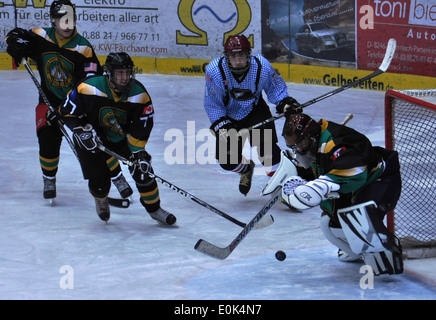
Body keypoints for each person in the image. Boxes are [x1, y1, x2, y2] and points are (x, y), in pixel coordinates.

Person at [5, 0, 132, 201]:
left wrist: (71, 110)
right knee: (47, 137)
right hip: (49, 101)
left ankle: (117, 176)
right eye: (62, 20)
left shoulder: (83, 48)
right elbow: (15, 35)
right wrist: (13, 42)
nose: (67, 25)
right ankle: (49, 178)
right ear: (53, 21)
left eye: (70, 20)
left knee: (96, 140)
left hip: (78, 105)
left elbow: (91, 85)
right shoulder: (40, 36)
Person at [262, 112, 403, 276]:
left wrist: (321, 186)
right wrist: (294, 175)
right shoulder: (315, 145)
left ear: (311, 135)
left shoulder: (335, 143)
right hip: (358, 187)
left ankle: (386, 249)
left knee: (360, 216)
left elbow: (356, 170)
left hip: (380, 180)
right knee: (329, 222)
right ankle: (357, 248)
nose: (298, 149)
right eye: (295, 146)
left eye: (300, 144)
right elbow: (314, 169)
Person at [59, 51, 176, 225]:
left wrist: (139, 153)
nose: (124, 78)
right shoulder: (89, 87)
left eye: (127, 73)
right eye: (120, 73)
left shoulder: (139, 95)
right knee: (100, 182)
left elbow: (142, 126)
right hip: (91, 137)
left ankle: (154, 209)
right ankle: (100, 198)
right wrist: (79, 130)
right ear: (109, 73)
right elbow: (66, 112)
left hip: (122, 138)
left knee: (143, 172)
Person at [203, 34, 301, 195]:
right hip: (228, 117)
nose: (238, 60)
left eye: (241, 55)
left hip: (255, 111)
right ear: (227, 56)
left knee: (268, 153)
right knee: (227, 162)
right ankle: (246, 168)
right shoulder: (215, 70)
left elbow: (275, 88)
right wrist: (223, 124)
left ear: (248, 54)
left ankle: (285, 189)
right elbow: (213, 103)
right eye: (233, 56)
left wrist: (284, 102)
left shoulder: (261, 65)